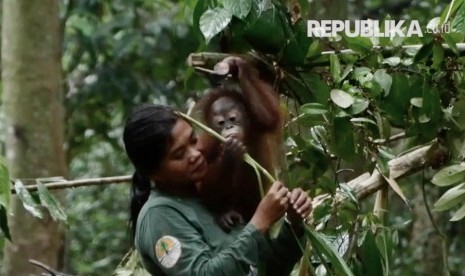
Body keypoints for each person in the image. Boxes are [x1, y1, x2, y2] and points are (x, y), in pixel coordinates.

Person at [123, 103, 312, 275]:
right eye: (179, 154)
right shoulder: (159, 216)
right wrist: (259, 222)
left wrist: (293, 224)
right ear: (153, 172)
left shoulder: (212, 195)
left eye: (193, 140)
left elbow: (268, 269)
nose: (195, 154)